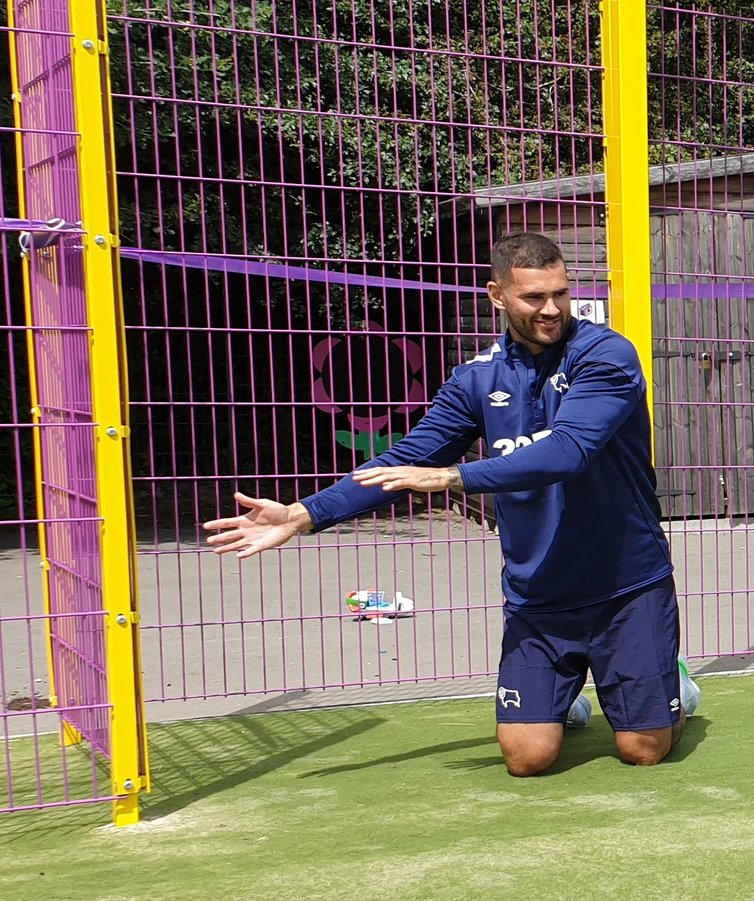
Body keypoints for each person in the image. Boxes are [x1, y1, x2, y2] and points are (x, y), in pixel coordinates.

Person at [205, 231, 693, 777]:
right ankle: (564, 700)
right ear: (497, 295)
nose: (552, 309)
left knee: (642, 751)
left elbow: (570, 451)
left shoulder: (605, 354)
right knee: (527, 759)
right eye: (534, 297)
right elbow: (406, 458)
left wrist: (451, 477)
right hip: (540, 595)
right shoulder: (475, 378)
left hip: (628, 584)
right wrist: (305, 512)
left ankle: (674, 683)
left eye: (560, 293)